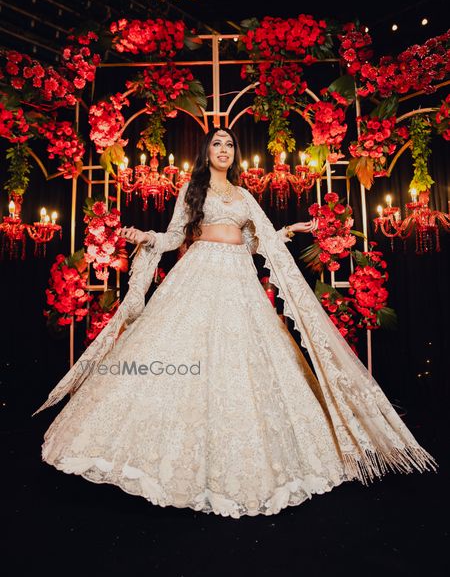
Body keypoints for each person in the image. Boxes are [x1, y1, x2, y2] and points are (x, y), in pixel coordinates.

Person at [33, 127, 438, 519]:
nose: (223, 149)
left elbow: (252, 241)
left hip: (239, 279)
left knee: (245, 362)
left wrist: (287, 231)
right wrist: (147, 236)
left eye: (229, 144)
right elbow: (176, 237)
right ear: (207, 152)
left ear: (234, 154)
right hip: (199, 272)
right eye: (217, 144)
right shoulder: (193, 191)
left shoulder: (245, 195)